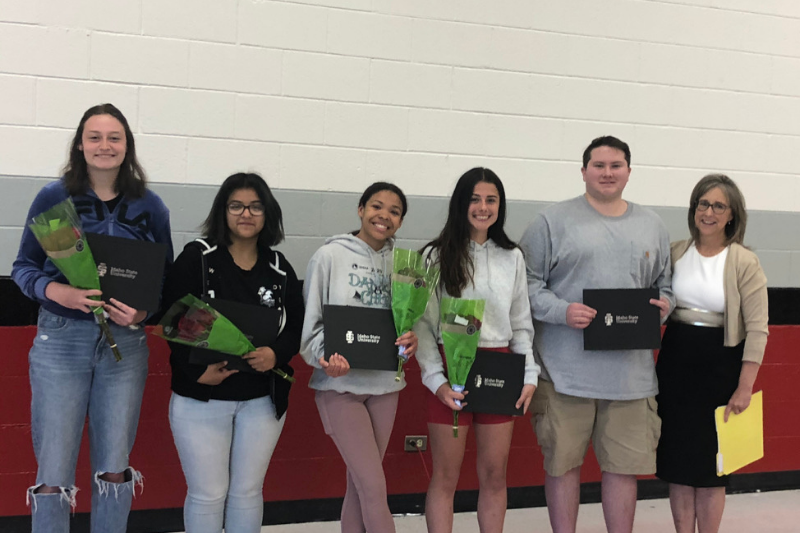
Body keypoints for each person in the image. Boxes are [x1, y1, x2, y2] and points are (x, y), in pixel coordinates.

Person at [11, 103, 174, 533]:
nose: (105, 146)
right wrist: (59, 291)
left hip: (126, 344)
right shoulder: (54, 197)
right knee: (53, 470)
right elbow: (23, 268)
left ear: (127, 146)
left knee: (115, 466)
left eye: (114, 137)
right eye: (95, 137)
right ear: (80, 144)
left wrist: (143, 311)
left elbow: (163, 280)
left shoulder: (151, 206)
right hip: (62, 340)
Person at [519, 136, 674, 533]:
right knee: (563, 466)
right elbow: (527, 286)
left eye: (616, 165)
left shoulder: (652, 225)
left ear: (628, 171)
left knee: (623, 471)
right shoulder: (550, 222)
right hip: (564, 375)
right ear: (583, 170)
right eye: (599, 165)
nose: (607, 173)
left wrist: (665, 305)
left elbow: (665, 285)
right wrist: (562, 310)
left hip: (630, 379)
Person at [161, 172, 303, 533]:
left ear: (267, 213)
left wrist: (276, 354)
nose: (246, 214)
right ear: (223, 211)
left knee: (247, 492)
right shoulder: (198, 257)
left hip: (261, 399)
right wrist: (194, 375)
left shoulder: (279, 268)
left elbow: (296, 326)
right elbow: (173, 318)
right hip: (203, 397)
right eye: (236, 205)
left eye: (256, 207)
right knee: (209, 493)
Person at [415, 168, 540, 533]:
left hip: (499, 369)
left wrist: (528, 374)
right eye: (474, 199)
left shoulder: (512, 256)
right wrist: (436, 381)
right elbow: (423, 325)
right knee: (446, 476)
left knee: (494, 475)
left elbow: (521, 324)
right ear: (460, 203)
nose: (482, 207)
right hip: (449, 370)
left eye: (491, 200)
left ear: (500, 206)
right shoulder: (435, 256)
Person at [300, 182, 418, 533]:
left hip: (385, 388)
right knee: (373, 486)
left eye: (394, 211)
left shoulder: (405, 266)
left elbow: (408, 324)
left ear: (401, 220)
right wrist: (325, 357)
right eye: (376, 206)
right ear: (360, 209)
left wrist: (409, 342)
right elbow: (311, 326)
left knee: (360, 485)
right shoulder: (329, 257)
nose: (384, 216)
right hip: (341, 387)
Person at [655, 174, 768, 533]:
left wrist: (745, 386)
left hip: (720, 368)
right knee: (677, 462)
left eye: (718, 205)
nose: (709, 212)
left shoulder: (744, 261)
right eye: (702, 204)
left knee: (710, 468)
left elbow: (757, 329)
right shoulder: (676, 252)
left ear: (732, 214)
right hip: (675, 365)